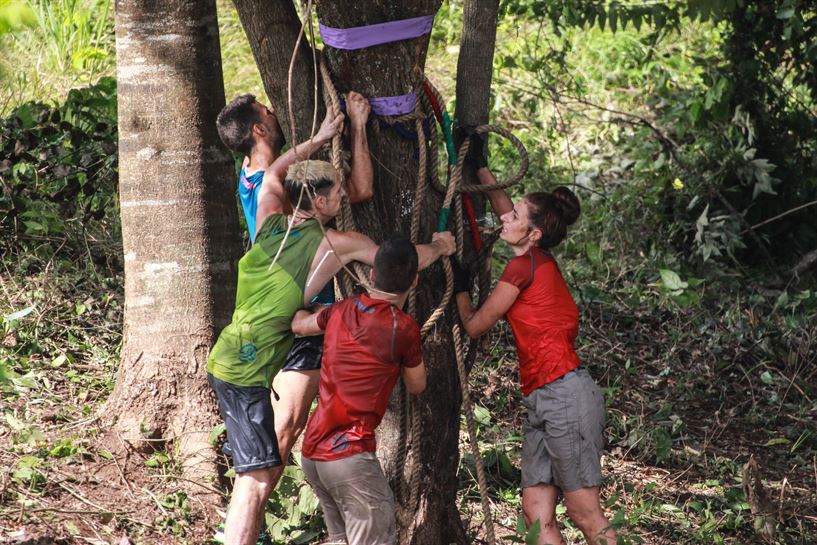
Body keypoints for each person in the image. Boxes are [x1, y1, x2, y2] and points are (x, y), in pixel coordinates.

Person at [207, 145, 455, 545]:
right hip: (245, 369)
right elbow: (399, 264)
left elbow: (272, 177)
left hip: (232, 356)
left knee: (264, 470)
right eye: (338, 190)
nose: (345, 195)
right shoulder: (338, 242)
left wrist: (320, 134)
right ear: (319, 201)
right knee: (255, 479)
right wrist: (442, 247)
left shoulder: (269, 221)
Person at [453, 141, 617, 545]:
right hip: (543, 396)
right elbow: (505, 208)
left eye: (515, 217)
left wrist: (458, 285)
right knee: (535, 513)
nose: (505, 219)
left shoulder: (523, 266)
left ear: (535, 232)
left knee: (585, 513)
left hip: (565, 395)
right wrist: (483, 170)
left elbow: (473, 325)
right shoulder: (533, 255)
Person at [215, 94, 374, 504]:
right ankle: (250, 513)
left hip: (278, 312)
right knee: (284, 427)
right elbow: (359, 189)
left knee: (279, 424)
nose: (275, 111)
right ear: (259, 129)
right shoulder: (280, 188)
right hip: (298, 314)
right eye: (268, 112)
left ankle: (251, 502)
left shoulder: (251, 175)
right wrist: (349, 128)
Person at [291, 236, 426, 545]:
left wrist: (307, 304)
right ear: (415, 280)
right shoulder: (403, 327)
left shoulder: (342, 309)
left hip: (314, 454)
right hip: (348, 455)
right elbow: (417, 385)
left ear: (374, 276)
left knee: (341, 540)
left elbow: (299, 325)